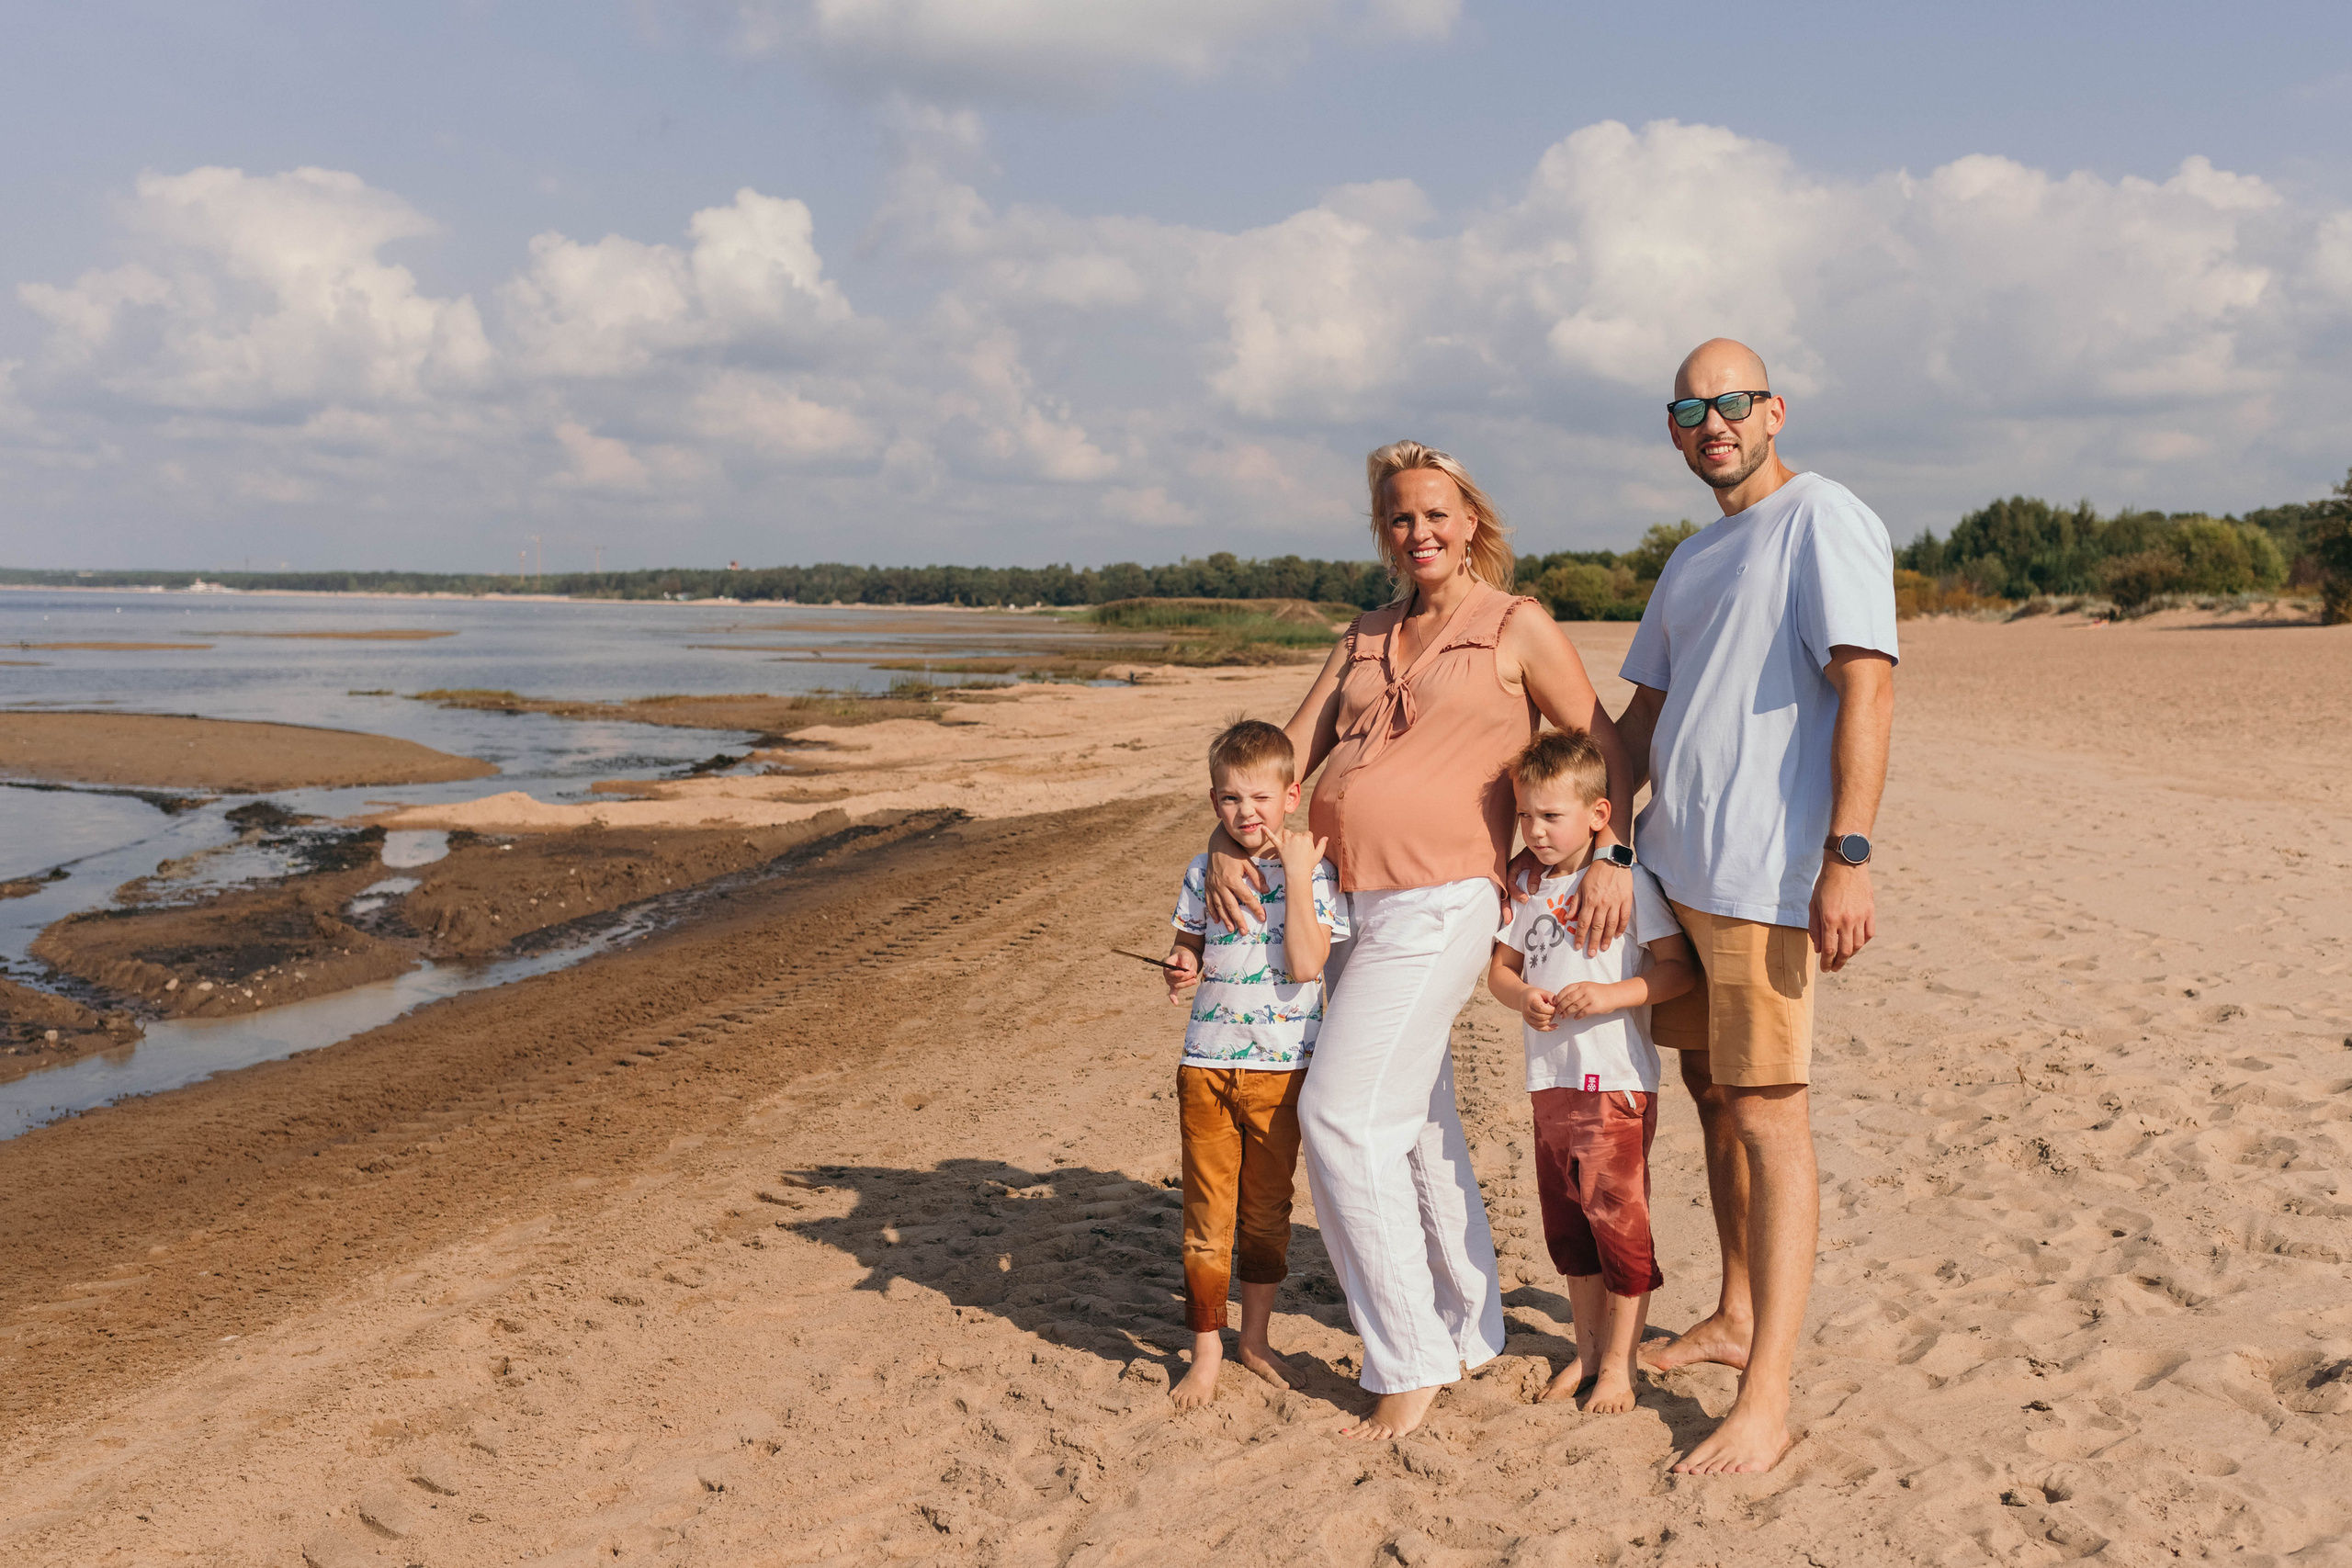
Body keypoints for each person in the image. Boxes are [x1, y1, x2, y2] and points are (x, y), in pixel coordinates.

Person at [1203, 442, 1638, 1440]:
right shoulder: (1362, 636)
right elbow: (1284, 754)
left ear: (1471, 522)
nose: (1419, 533)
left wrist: (1611, 848)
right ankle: (1467, 1324)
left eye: (1436, 514)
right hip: (1348, 904)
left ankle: (1407, 1356)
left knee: (1343, 1118)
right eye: (1399, 518)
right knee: (1415, 1120)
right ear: (1383, 533)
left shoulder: (1514, 627)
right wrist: (1223, 844)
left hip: (1444, 901)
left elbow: (1600, 744)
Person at [1617, 338, 1898, 1474]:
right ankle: (1734, 1313)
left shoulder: (1820, 517)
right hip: (1677, 873)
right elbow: (1637, 725)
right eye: (1690, 408)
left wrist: (1850, 855)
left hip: (1766, 877)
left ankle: (1768, 1394)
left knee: (1771, 1113)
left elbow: (1867, 681)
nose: (1712, 422)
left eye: (1731, 402)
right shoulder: (1691, 556)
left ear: (1774, 410)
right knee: (1710, 1094)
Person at [1486, 729, 1694, 1415]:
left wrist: (1611, 994)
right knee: (1569, 1229)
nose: (1535, 831)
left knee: (1619, 1226)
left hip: (1614, 1085)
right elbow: (1502, 971)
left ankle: (1620, 1364)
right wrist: (1523, 999)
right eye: (1525, 816)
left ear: (1599, 814)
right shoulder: (1526, 888)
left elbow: (1675, 969)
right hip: (1550, 1085)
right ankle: (1585, 1347)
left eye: (1551, 816)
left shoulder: (1628, 883)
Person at [1160, 720, 1348, 1411]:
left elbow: (1306, 963)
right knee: (1207, 1218)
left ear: (1291, 795)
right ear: (1215, 803)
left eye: (1260, 797)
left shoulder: (1317, 874)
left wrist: (1296, 874)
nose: (1247, 813)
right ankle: (1206, 1349)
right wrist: (1180, 966)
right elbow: (1187, 945)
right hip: (1204, 1066)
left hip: (1284, 1070)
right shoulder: (1201, 870)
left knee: (1267, 1213)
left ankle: (1256, 1337)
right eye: (1232, 799)